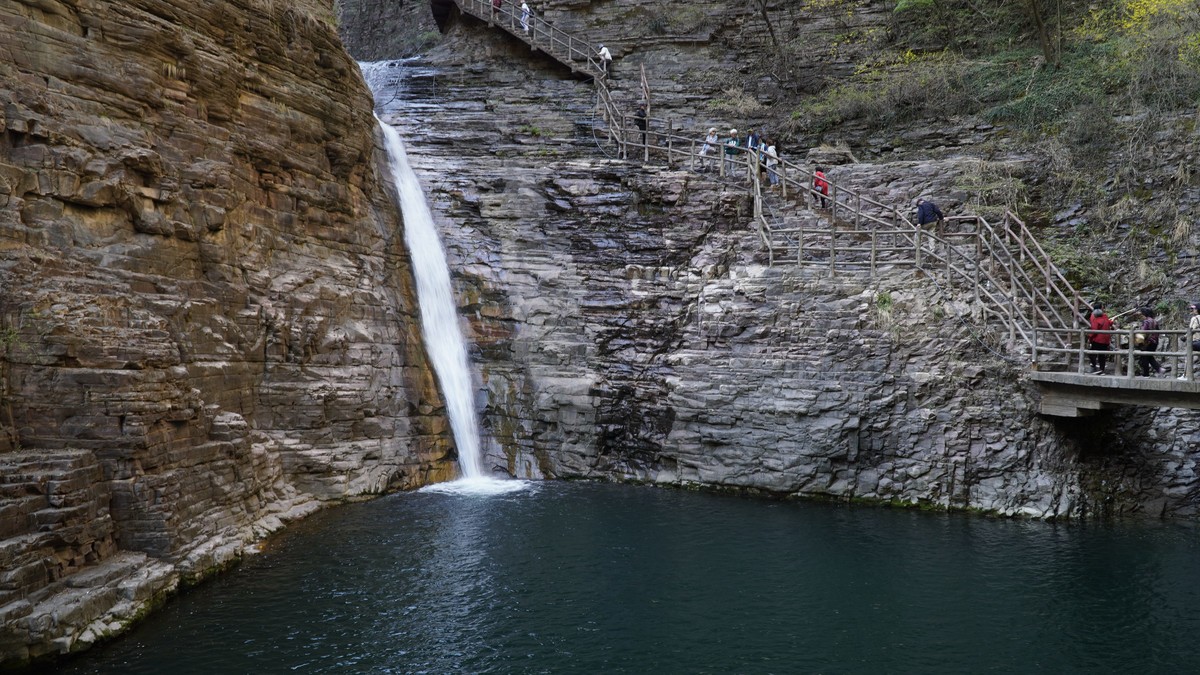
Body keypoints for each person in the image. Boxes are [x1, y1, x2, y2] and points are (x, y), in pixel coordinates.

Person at [1134, 307, 1169, 377]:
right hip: (1155, 342)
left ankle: (1146, 375)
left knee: (1144, 358)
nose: (1141, 317)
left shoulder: (1146, 321)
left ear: (1144, 314)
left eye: (1141, 315)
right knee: (1149, 357)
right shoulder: (1155, 321)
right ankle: (1159, 369)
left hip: (1148, 342)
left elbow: (1143, 332)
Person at [1087, 306, 1115, 374]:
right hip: (1106, 340)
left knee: (1091, 353)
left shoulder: (1096, 320)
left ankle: (1094, 365)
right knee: (1102, 355)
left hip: (1098, 340)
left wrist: (1089, 338)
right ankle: (1101, 369)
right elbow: (1110, 323)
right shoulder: (1105, 318)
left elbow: (1094, 331)